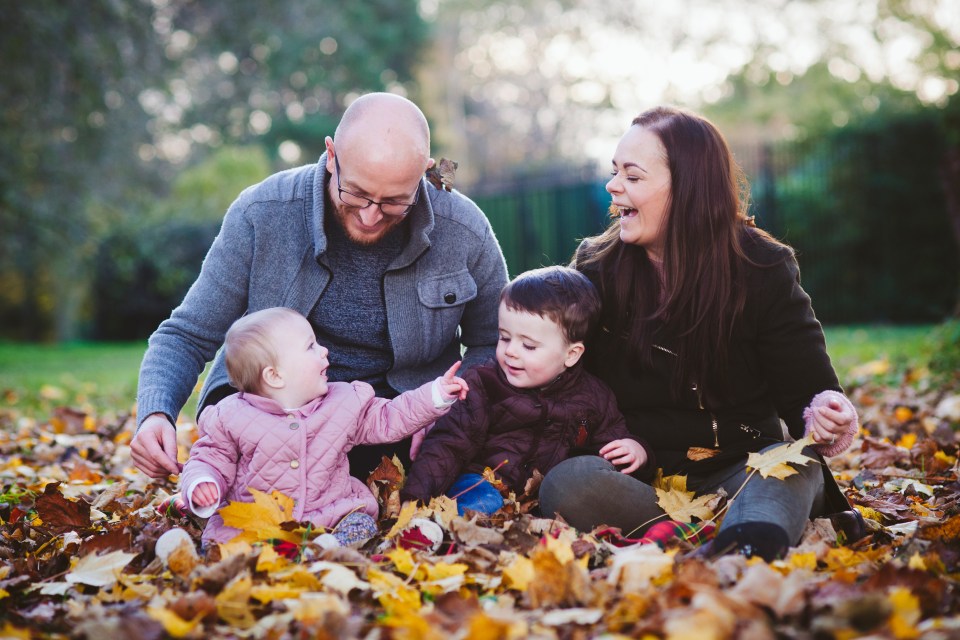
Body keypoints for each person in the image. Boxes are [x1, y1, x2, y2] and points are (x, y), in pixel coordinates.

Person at [538, 106, 862, 561]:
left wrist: (829, 416)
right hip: (639, 477)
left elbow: (810, 391)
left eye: (633, 176)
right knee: (569, 483)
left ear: (688, 187)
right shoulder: (597, 268)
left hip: (742, 469)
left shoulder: (761, 267)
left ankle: (741, 546)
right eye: (615, 173)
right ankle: (700, 534)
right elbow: (560, 374)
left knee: (796, 466)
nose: (613, 187)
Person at [132, 92, 508, 481]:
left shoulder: (464, 229)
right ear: (331, 155)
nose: (370, 216)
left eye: (395, 201)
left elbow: (493, 341)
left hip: (398, 423)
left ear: (424, 172)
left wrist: (448, 414)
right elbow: (187, 334)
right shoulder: (261, 214)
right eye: (357, 193)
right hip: (268, 423)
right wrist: (156, 412)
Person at [179, 307, 469, 546]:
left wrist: (435, 395)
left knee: (361, 524)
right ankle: (193, 555)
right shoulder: (230, 416)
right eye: (310, 347)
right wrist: (202, 483)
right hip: (258, 522)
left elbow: (390, 417)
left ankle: (337, 550)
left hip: (330, 514)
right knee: (226, 544)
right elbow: (210, 458)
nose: (324, 351)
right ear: (275, 376)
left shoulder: (344, 402)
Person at [402, 266, 651, 515]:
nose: (510, 351)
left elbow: (612, 443)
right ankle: (444, 531)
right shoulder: (483, 384)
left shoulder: (593, 397)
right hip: (483, 483)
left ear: (571, 354)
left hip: (545, 499)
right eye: (504, 337)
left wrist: (635, 449)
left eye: (529, 346)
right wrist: (414, 498)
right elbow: (448, 445)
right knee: (483, 503)